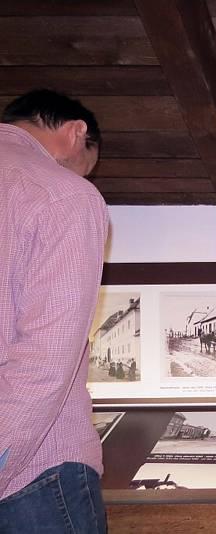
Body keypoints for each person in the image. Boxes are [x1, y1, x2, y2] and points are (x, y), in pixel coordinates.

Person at [0, 89, 108, 533]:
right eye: (87, 162)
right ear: (76, 132)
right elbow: (47, 356)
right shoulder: (66, 197)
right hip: (33, 470)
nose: (82, 174)